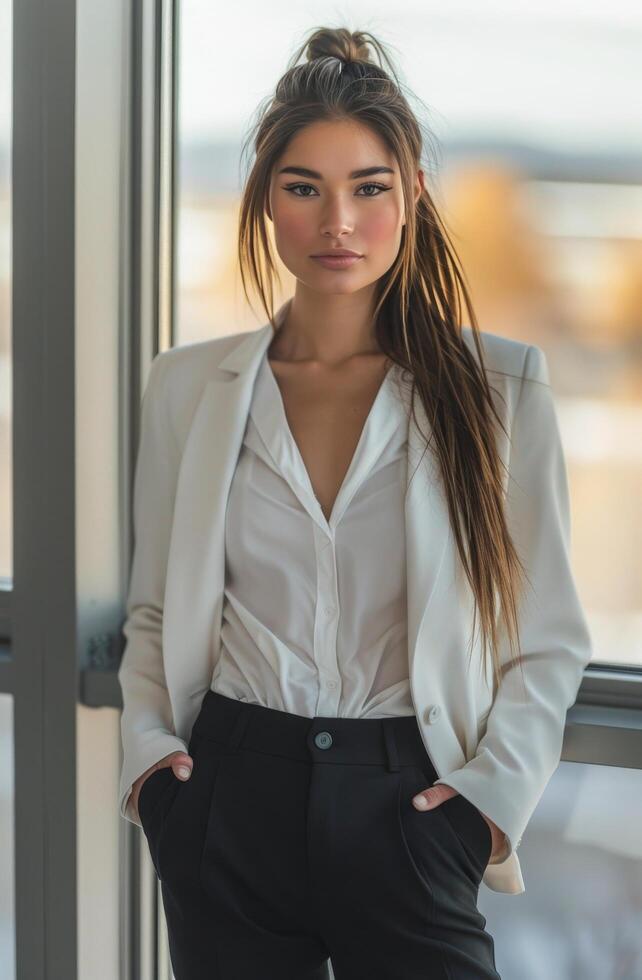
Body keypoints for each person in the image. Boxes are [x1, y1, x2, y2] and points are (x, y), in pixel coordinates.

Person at [117, 26, 593, 980]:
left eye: (369, 187)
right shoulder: (185, 388)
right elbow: (157, 610)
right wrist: (152, 772)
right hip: (225, 800)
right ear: (265, 199)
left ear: (412, 196)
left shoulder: (500, 387)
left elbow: (549, 635)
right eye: (304, 187)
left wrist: (487, 803)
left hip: (412, 806)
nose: (339, 220)